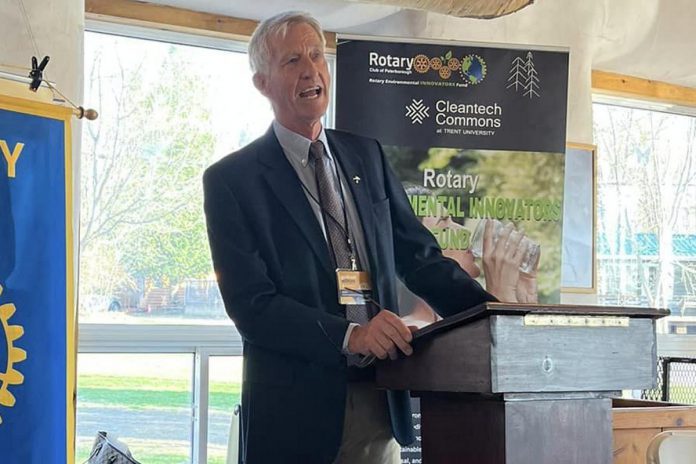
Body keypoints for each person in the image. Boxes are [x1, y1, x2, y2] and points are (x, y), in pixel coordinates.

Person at [203, 11, 499, 464]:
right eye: (291, 61)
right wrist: (350, 336)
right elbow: (252, 305)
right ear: (262, 83)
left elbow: (420, 258)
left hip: (379, 400)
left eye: (316, 55)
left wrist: (495, 314)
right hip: (293, 417)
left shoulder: (366, 156)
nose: (310, 69)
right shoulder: (233, 181)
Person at [399, 186, 539, 326]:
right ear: (420, 252)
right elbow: (496, 345)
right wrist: (499, 300)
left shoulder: (445, 324)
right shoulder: (413, 331)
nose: (464, 231)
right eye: (445, 226)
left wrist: (524, 303)